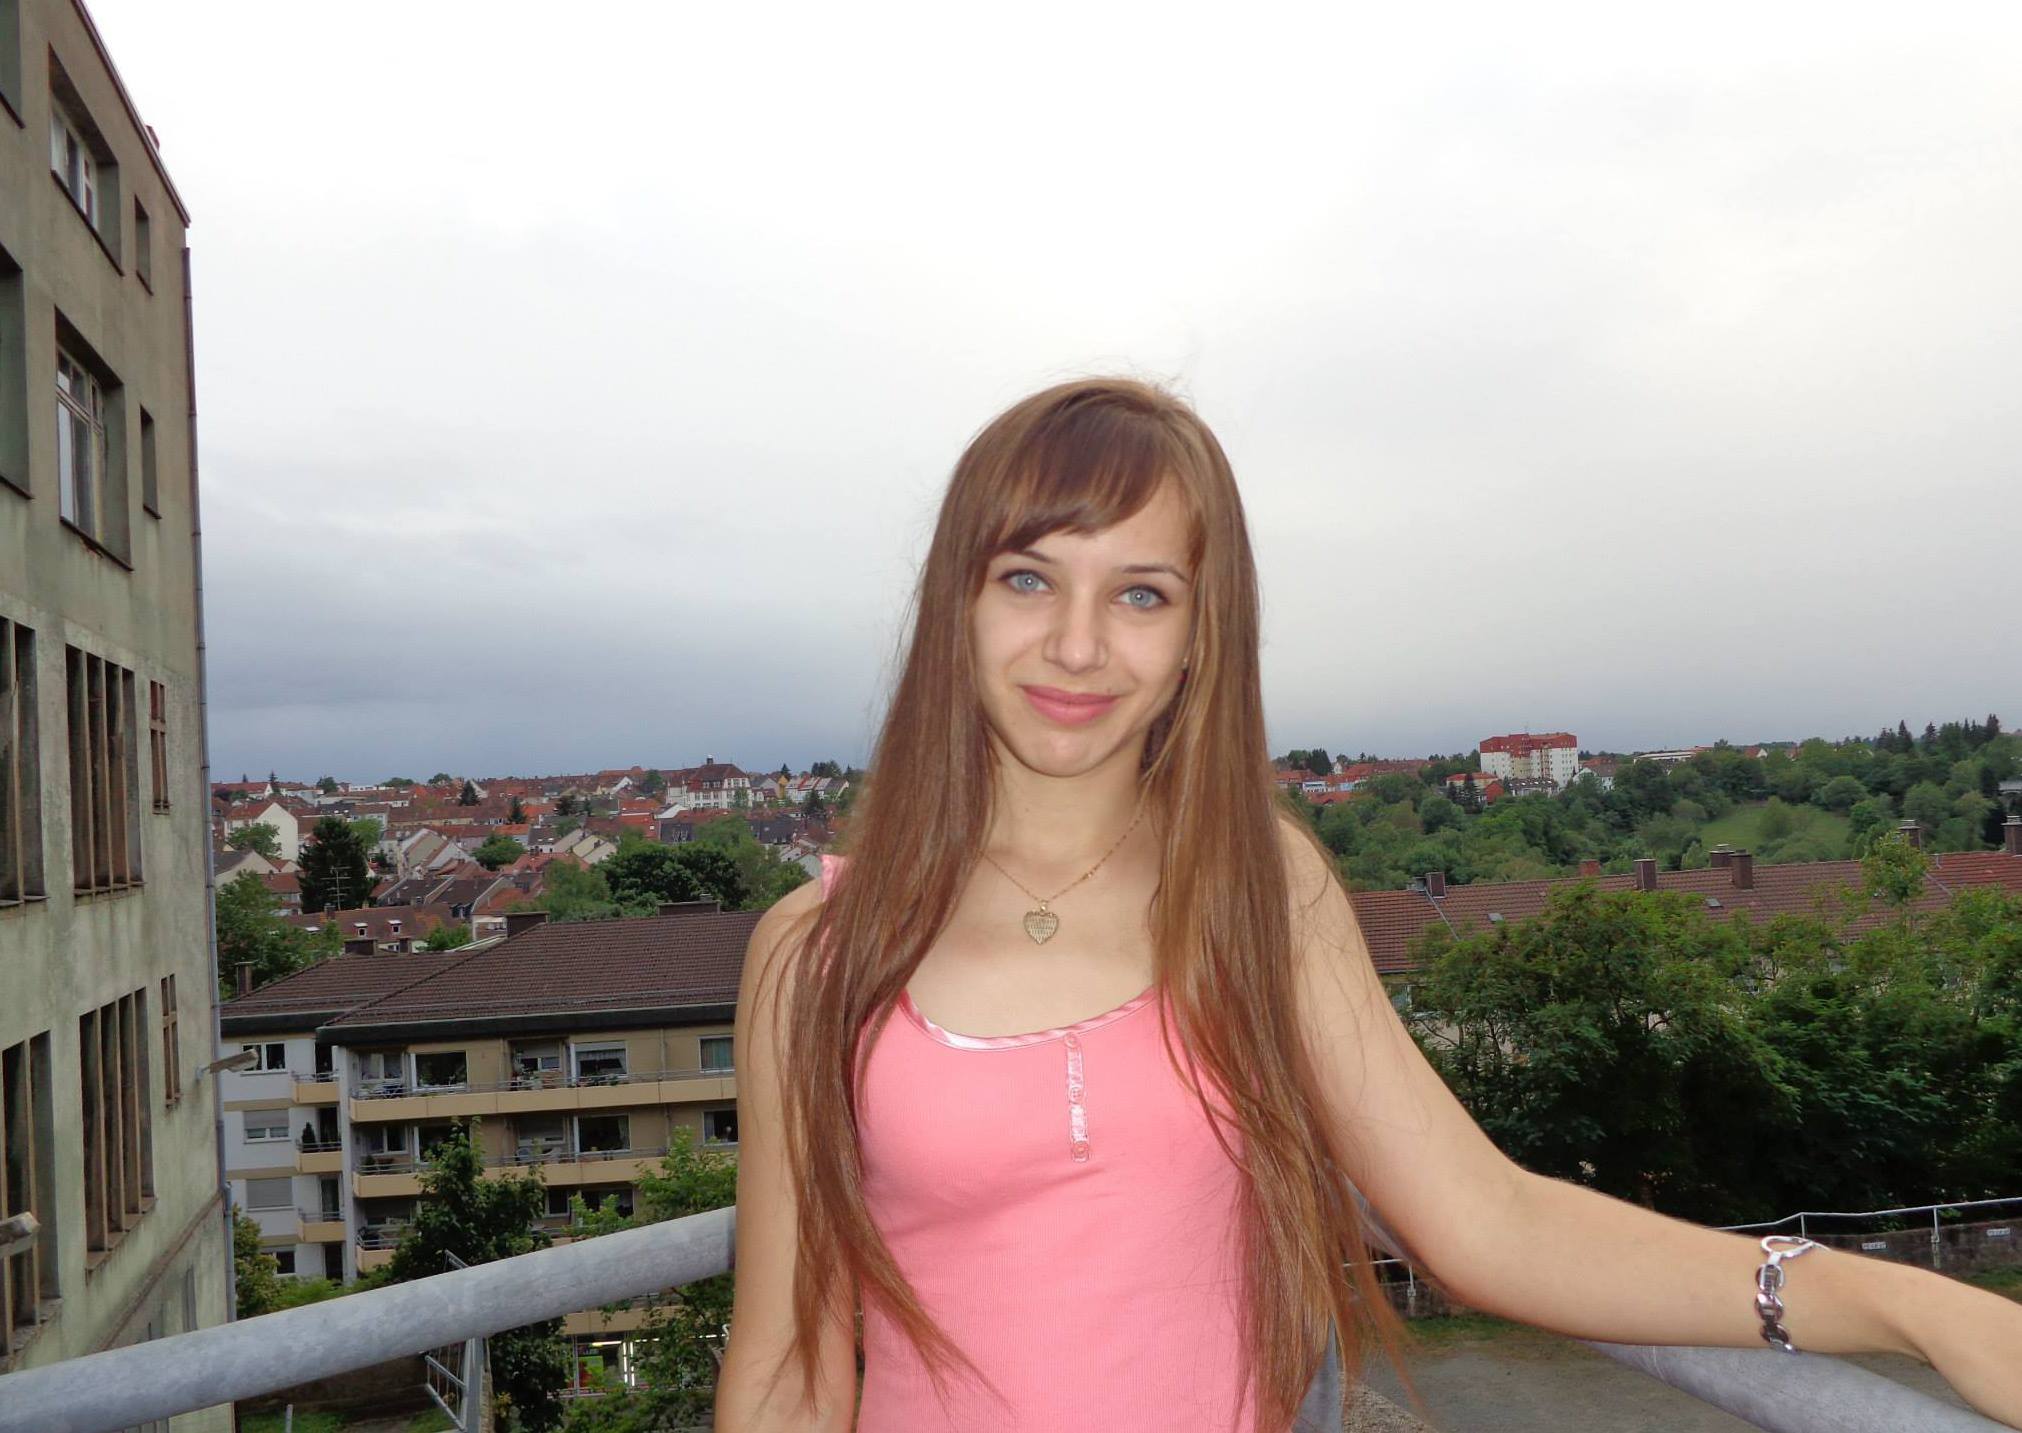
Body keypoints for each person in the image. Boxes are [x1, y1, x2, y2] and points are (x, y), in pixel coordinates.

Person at [714, 377, 2022, 1432]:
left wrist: (1909, 1309)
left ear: (1200, 636)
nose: (1076, 643)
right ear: (954, 600)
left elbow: (1489, 1222)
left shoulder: (1258, 894)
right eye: (1026, 577)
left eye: (1140, 594)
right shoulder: (817, 953)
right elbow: (784, 1375)